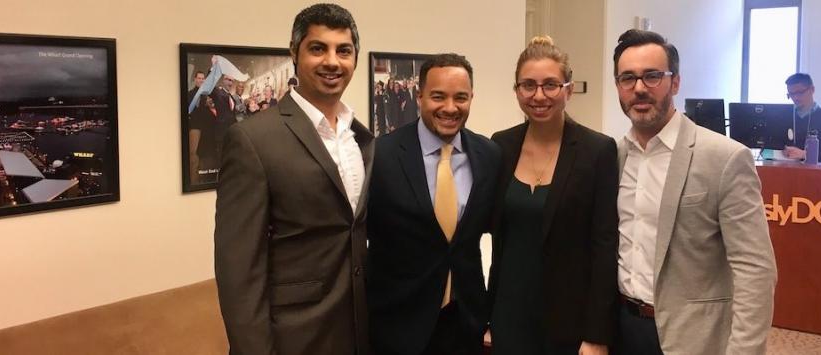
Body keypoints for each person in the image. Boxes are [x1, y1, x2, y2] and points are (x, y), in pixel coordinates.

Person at [214, 4, 373, 355]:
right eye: (318, 48)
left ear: (355, 58)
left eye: (343, 50)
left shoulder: (360, 138)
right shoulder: (253, 140)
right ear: (294, 53)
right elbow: (238, 272)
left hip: (359, 333)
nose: (332, 61)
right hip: (293, 339)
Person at [611, 29, 777, 355]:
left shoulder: (725, 157)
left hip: (694, 339)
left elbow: (755, 269)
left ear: (675, 83)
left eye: (652, 76)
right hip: (623, 329)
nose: (640, 88)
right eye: (627, 78)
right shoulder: (615, 155)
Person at [487, 36, 617, 355]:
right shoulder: (500, 146)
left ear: (568, 90)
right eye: (528, 85)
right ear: (517, 90)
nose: (539, 95)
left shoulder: (596, 150)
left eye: (550, 85)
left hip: (569, 322)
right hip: (509, 313)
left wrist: (597, 334)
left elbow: (605, 246)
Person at [366, 53, 501, 355]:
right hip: (397, 326)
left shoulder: (489, 155)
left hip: (464, 324)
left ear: (471, 98)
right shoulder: (381, 155)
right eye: (438, 96)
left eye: (460, 97)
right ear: (419, 96)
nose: (450, 108)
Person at [783, 73, 821, 162]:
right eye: (791, 94)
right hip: (785, 170)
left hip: (817, 174)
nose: (795, 98)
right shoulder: (784, 118)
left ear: (812, 90)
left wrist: (804, 154)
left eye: (799, 92)